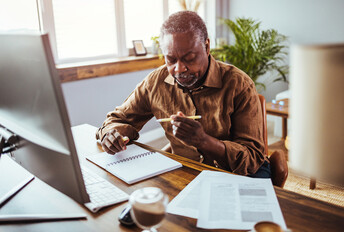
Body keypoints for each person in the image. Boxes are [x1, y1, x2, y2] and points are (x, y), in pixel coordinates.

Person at [96, 11, 270, 178]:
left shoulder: (239, 84)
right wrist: (111, 134)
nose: (179, 69)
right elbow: (117, 119)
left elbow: (253, 159)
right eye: (171, 60)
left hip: (236, 175)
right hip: (187, 173)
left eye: (190, 58)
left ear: (207, 46)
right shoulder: (155, 82)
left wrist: (204, 141)